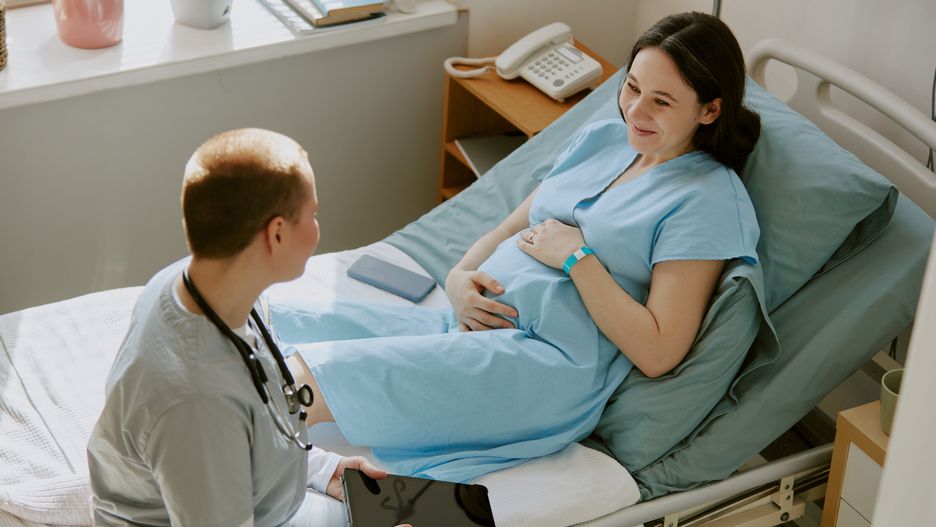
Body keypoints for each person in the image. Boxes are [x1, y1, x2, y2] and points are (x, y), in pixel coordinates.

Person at [271, 11, 762, 484]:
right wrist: (460, 277)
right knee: (271, 324)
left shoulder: (706, 200)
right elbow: (512, 224)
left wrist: (578, 259)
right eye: (632, 87)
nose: (636, 111)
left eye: (662, 101)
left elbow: (659, 350)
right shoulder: (606, 137)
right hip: (463, 323)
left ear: (710, 109)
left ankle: (230, 477)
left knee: (313, 377)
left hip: (541, 365)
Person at [86, 129, 410, 527]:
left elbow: (258, 409)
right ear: (276, 234)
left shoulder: (196, 283)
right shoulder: (198, 405)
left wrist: (322, 470)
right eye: (312, 214)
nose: (317, 227)